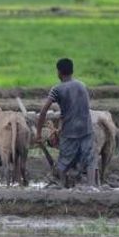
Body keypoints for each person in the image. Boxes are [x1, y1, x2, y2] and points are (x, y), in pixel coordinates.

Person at [35, 58, 96, 187]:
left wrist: (38, 133)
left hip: (70, 132)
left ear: (59, 72)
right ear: (72, 71)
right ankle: (92, 187)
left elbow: (43, 111)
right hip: (86, 129)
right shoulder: (82, 85)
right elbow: (78, 107)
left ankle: (62, 187)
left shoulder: (57, 89)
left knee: (64, 162)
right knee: (90, 160)